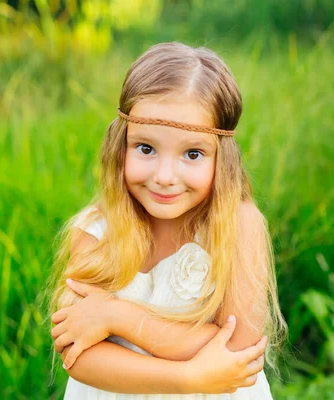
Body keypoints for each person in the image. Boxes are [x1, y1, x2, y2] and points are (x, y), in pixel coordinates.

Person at [45, 41, 286, 399]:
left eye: (192, 153)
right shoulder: (97, 231)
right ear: (119, 145)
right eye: (146, 148)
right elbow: (79, 357)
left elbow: (238, 352)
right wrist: (189, 376)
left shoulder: (238, 226)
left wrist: (116, 316)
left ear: (223, 158)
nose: (165, 175)